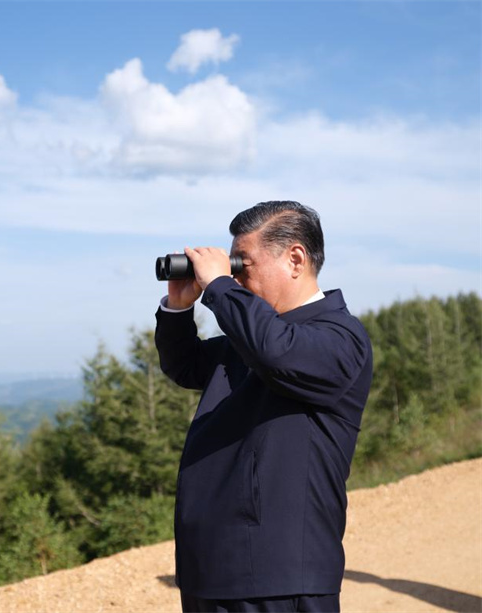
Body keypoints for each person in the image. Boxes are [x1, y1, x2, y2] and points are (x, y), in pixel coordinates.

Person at [154, 201, 373, 613]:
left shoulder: (340, 338)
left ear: (295, 259)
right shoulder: (253, 339)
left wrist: (220, 286)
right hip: (210, 571)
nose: (235, 276)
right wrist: (179, 308)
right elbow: (185, 365)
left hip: (277, 575)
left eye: (243, 264)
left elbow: (276, 352)